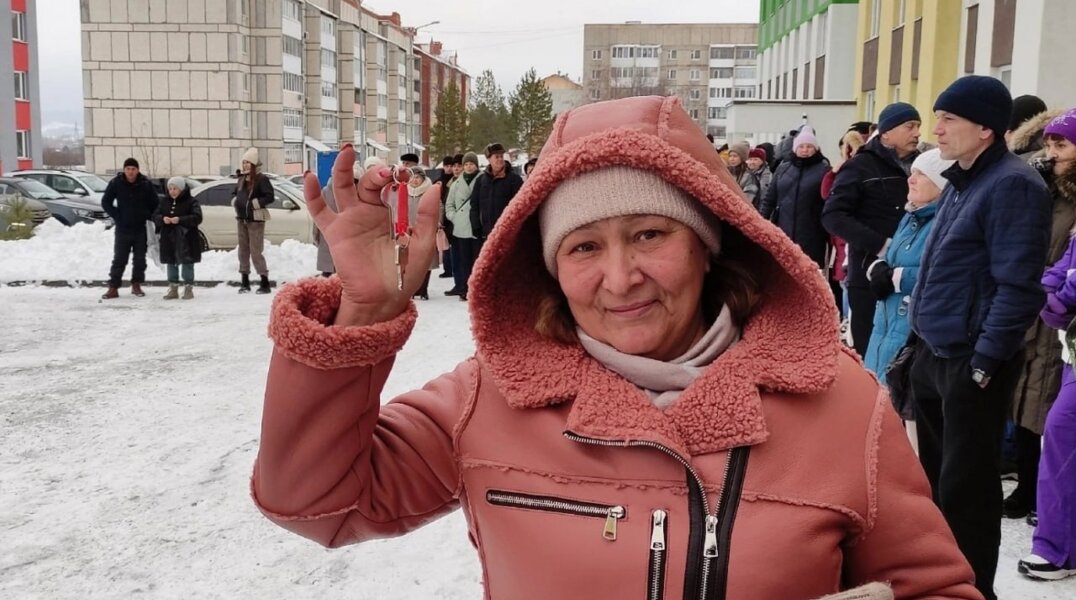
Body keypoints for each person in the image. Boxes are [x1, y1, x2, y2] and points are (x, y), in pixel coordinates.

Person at [252, 97, 981, 599]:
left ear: (708, 244)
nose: (620, 276)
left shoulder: (838, 402)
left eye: (651, 235)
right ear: (547, 266)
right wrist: (363, 314)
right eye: (584, 246)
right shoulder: (491, 395)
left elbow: (934, 586)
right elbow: (316, 503)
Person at [908, 76, 1051, 600]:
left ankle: (970, 591)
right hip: (936, 352)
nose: (936, 129)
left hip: (972, 361)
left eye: (949, 119)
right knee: (936, 486)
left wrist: (985, 360)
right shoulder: (965, 178)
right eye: (937, 117)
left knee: (966, 491)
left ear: (986, 129)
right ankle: (939, 583)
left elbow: (1018, 286)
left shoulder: (1013, 184)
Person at [1004, 107, 1075, 522]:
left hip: (1061, 312)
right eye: (1048, 142)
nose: (1051, 151)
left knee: (1046, 402)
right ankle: (1028, 487)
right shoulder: (1039, 186)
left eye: (1061, 144)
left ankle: (1041, 494)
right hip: (1034, 301)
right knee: (1025, 393)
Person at [822, 102, 922, 358]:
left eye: (918, 127)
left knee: (901, 357)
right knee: (869, 352)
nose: (917, 133)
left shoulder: (921, 166)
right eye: (910, 126)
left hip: (909, 276)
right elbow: (833, 216)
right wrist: (881, 244)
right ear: (887, 132)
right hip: (867, 276)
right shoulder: (861, 166)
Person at [862, 149, 953, 422]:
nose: (911, 180)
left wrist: (896, 278)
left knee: (901, 413)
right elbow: (890, 258)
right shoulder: (911, 215)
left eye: (921, 174)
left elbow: (944, 272)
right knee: (876, 399)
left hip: (910, 328)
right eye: (911, 173)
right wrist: (877, 268)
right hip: (885, 323)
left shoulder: (944, 222)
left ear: (941, 183)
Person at [759, 127, 831, 270]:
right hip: (783, 231)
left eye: (809, 146)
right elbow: (769, 200)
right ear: (794, 148)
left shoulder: (824, 170)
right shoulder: (783, 169)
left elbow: (829, 203)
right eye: (801, 146)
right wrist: (760, 222)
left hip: (812, 234)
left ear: (816, 149)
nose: (805, 150)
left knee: (808, 275)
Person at [821, 130, 867, 320]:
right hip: (841, 237)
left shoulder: (863, 170)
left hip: (853, 233)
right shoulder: (839, 170)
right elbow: (825, 193)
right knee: (843, 280)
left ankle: (850, 322)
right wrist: (833, 173)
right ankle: (847, 321)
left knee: (850, 281)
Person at [100, 157, 158, 299]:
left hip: (140, 229)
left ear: (138, 170)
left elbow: (155, 203)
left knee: (139, 259)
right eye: (128, 169)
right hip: (123, 228)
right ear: (124, 170)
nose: (130, 172)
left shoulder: (145, 184)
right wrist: (117, 215)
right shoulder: (116, 183)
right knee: (119, 259)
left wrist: (147, 215)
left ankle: (136, 285)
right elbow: (106, 202)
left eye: (133, 169)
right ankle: (113, 287)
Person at [152, 177, 203, 300]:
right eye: (170, 189)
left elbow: (197, 217)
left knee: (187, 262)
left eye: (175, 188)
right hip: (168, 238)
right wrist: (162, 219)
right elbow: (155, 215)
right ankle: (173, 287)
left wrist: (180, 220)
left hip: (186, 238)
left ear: (182, 189)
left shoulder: (191, 201)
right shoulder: (164, 201)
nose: (172, 191)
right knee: (171, 262)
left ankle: (188, 287)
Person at [233, 147, 275, 294]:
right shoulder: (242, 179)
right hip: (242, 219)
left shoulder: (262, 179)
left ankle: (265, 282)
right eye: (243, 162)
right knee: (243, 251)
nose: (244, 165)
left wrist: (254, 204)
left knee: (256, 251)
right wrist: (236, 201)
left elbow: (269, 196)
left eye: (248, 163)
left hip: (255, 220)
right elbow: (236, 193)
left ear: (254, 164)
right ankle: (245, 281)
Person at [468, 142, 523, 244]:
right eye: (496, 157)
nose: (500, 159)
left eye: (501, 156)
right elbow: (474, 205)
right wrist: (475, 226)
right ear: (489, 159)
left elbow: (520, 206)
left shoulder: (514, 179)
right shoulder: (481, 180)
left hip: (508, 233)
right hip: (488, 233)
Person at [444, 152, 480, 300]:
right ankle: (465, 289)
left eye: (471, 164)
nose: (468, 166)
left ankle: (477, 289)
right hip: (461, 227)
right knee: (464, 260)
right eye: (466, 164)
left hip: (478, 226)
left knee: (477, 260)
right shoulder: (456, 183)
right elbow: (449, 204)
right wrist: (455, 218)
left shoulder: (482, 180)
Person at [404, 165, 436, 300]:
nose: (414, 180)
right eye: (412, 177)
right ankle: (413, 288)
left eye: (417, 177)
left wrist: (437, 222)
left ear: (423, 178)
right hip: (409, 231)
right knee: (411, 261)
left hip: (426, 230)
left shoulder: (430, 192)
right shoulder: (405, 191)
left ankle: (424, 289)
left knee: (426, 260)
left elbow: (438, 207)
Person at [437, 155, 457, 279]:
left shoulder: (456, 180)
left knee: (454, 244)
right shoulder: (439, 181)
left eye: (451, 166)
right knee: (444, 244)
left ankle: (452, 268)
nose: (449, 168)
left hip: (453, 215)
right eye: (447, 166)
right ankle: (447, 268)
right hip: (443, 216)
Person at [726, 142, 760, 206]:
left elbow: (748, 199)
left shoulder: (749, 176)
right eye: (730, 156)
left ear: (742, 158)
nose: (732, 159)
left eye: (735, 156)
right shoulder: (726, 172)